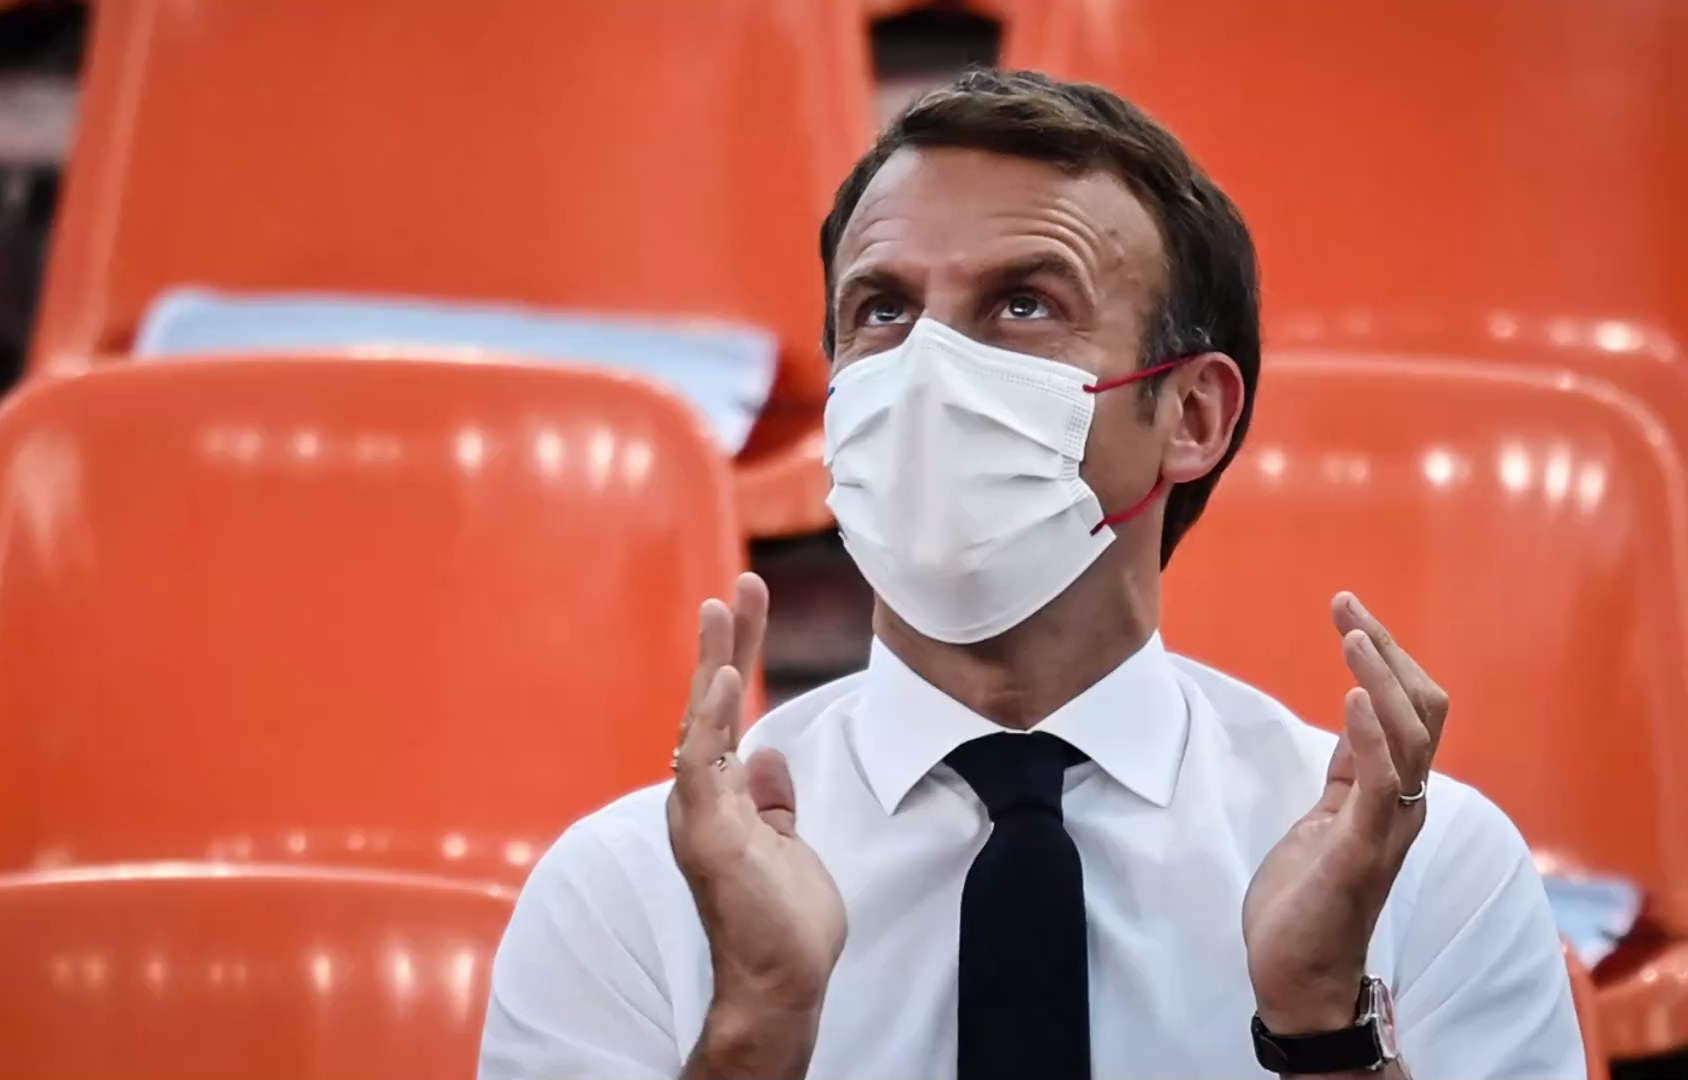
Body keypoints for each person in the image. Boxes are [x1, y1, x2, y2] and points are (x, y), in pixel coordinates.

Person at [478, 70, 1584, 1079]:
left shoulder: (1421, 871)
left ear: (1192, 416)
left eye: (1024, 304)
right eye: (882, 311)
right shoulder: (632, 888)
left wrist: (1323, 1030)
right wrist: (756, 1029)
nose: (927, 371)